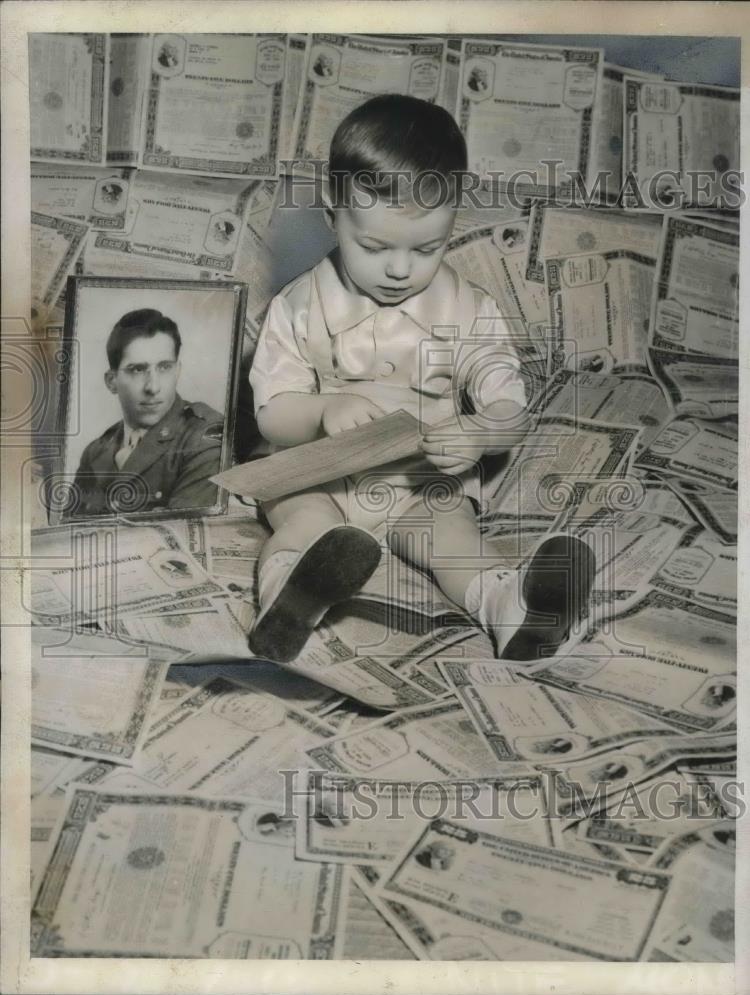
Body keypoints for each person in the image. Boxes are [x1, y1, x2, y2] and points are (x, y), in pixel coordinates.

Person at [248, 94, 595, 662]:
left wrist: (482, 434)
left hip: (418, 483)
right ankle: (286, 599)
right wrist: (321, 413)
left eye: (426, 248)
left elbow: (508, 404)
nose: (400, 269)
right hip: (316, 475)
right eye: (375, 246)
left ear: (453, 222)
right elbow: (271, 414)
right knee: (304, 519)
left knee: (453, 536)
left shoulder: (469, 309)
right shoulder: (298, 307)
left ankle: (512, 608)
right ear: (333, 215)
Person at [72, 309, 224, 517]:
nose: (153, 387)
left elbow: (182, 537)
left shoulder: (204, 437)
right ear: (112, 381)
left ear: (177, 371)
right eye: (137, 369)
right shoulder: (95, 452)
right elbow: (69, 535)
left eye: (164, 367)